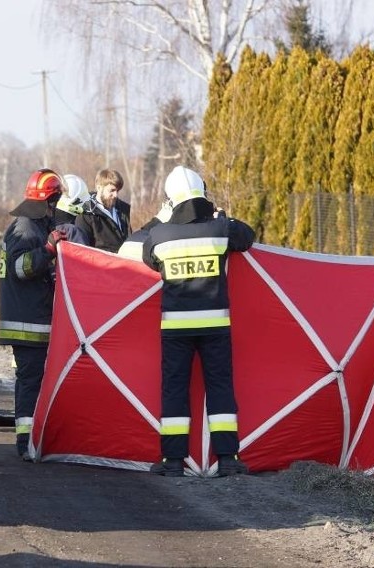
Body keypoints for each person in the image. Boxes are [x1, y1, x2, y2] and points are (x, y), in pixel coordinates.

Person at [141, 166, 256, 478]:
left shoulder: (160, 235)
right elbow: (247, 237)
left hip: (175, 328)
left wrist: (162, 221)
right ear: (201, 194)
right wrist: (222, 216)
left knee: (174, 390)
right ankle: (228, 459)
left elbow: (147, 257)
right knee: (220, 387)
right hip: (215, 326)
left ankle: (173, 461)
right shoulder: (219, 229)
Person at [0, 168, 76, 460]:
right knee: (31, 381)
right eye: (54, 201)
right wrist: (48, 249)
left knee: (34, 380)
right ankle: (25, 444)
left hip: (31, 319)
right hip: (27, 323)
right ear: (49, 199)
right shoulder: (26, 227)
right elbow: (22, 268)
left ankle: (33, 440)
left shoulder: (30, 223)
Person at [75, 168, 131, 252]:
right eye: (112, 190)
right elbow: (83, 251)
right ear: (99, 188)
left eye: (117, 191)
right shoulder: (85, 214)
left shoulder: (123, 209)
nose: (115, 195)